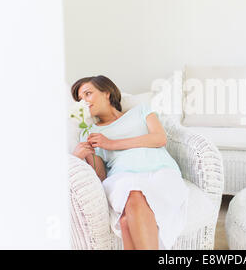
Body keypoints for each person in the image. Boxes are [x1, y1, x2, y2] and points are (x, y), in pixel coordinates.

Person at [71, 75, 188, 250]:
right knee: (133, 192)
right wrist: (80, 158)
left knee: (127, 221)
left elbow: (159, 138)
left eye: (88, 94)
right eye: (80, 99)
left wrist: (110, 144)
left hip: (161, 171)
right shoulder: (90, 133)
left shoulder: (141, 111)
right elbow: (100, 176)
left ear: (107, 93)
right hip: (122, 178)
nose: (84, 101)